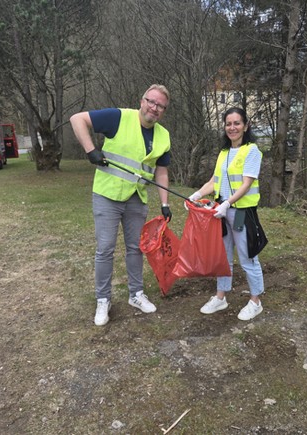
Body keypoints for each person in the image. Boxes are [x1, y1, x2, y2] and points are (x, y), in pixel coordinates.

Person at [70, 84, 172, 326]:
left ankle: (136, 294)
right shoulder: (118, 117)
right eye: (151, 101)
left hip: (137, 197)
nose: (154, 108)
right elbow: (76, 119)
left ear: (163, 111)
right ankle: (103, 299)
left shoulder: (163, 136)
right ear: (142, 100)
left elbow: (161, 171)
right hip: (107, 194)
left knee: (135, 248)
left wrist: (165, 203)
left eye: (160, 106)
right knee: (105, 249)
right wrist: (91, 151)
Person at [188, 107, 265, 321]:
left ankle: (256, 301)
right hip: (221, 213)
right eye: (228, 124)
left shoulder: (251, 151)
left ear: (246, 126)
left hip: (241, 213)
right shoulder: (223, 153)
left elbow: (247, 184)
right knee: (223, 256)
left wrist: (228, 203)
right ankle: (221, 297)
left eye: (237, 123)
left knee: (248, 256)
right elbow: (214, 181)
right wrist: (197, 194)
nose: (232, 127)